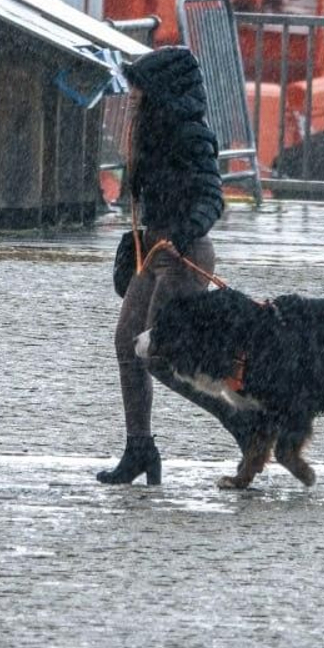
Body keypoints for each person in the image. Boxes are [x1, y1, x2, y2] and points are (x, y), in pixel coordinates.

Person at [97, 46, 229, 485]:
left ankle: (240, 421)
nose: (131, 93)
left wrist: (185, 230)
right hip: (153, 251)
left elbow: (212, 196)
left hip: (183, 254)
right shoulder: (149, 129)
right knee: (127, 344)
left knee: (159, 354)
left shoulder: (190, 134)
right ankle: (140, 448)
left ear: (162, 90)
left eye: (139, 85)